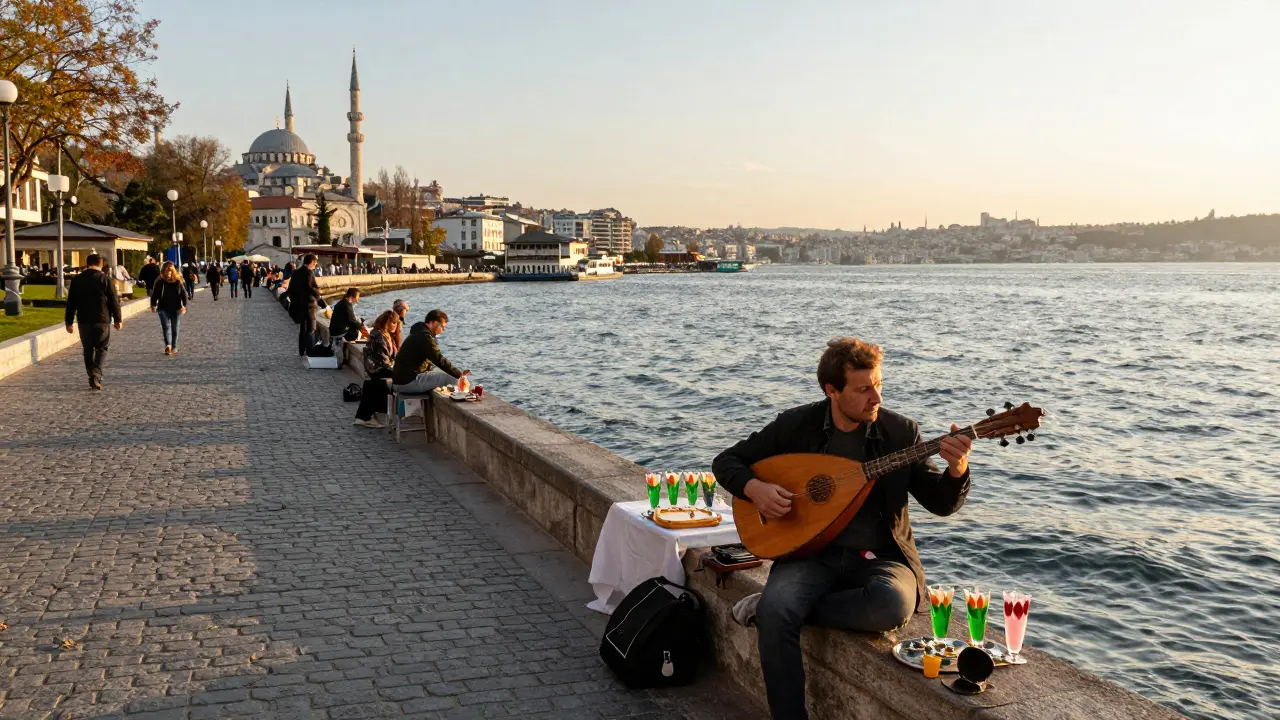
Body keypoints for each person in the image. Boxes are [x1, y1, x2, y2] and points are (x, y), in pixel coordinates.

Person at [711, 338, 974, 720]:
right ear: (831, 390)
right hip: (810, 553)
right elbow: (728, 460)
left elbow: (940, 503)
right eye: (864, 388)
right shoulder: (797, 424)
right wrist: (755, 487)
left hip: (881, 557)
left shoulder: (900, 432)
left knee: (891, 605)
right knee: (781, 609)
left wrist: (957, 470)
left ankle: (773, 608)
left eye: (879, 384)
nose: (876, 397)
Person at [64, 253, 121, 390]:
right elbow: (114, 301)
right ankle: (96, 373)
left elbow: (71, 302)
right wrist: (117, 319)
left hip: (83, 320)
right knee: (102, 347)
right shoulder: (105, 279)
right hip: (102, 319)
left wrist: (69, 322)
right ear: (101, 264)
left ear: (87, 264)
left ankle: (91, 373)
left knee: (88, 348)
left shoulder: (77, 280)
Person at [391, 309, 469, 394]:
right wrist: (460, 375)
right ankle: (464, 397)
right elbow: (439, 359)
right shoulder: (425, 337)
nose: (441, 331)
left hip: (400, 380)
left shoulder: (418, 333)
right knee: (451, 378)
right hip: (408, 382)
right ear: (433, 322)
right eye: (441, 327)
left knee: (439, 372)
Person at [353, 310, 402, 428]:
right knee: (401, 379)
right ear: (386, 322)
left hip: (376, 368)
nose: (395, 326)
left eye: (396, 323)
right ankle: (385, 414)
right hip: (376, 369)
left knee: (372, 385)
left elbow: (393, 356)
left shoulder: (386, 334)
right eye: (393, 323)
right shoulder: (379, 336)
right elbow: (383, 360)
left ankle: (364, 416)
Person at [286, 253, 327, 356]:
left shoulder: (295, 273)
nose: (315, 265)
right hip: (308, 306)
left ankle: (301, 351)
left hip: (298, 305)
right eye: (315, 263)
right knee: (311, 329)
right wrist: (322, 303)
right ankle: (310, 351)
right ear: (312, 262)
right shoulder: (309, 273)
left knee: (302, 328)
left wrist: (294, 301)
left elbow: (290, 289)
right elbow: (312, 289)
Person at [150, 261, 189, 355]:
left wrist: (184, 305)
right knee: (166, 327)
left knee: (175, 328)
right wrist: (153, 304)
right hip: (163, 308)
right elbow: (154, 294)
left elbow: (184, 294)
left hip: (176, 308)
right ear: (163, 271)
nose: (168, 273)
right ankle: (168, 345)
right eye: (166, 271)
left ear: (173, 271)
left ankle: (174, 346)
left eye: (170, 271)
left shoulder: (178, 281)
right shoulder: (159, 282)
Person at [328, 287, 368, 369]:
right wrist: (362, 328)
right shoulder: (347, 305)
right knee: (355, 333)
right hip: (338, 332)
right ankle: (342, 342)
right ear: (353, 296)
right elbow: (352, 322)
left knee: (358, 323)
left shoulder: (342, 303)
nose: (358, 299)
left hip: (334, 330)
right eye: (358, 297)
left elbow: (350, 320)